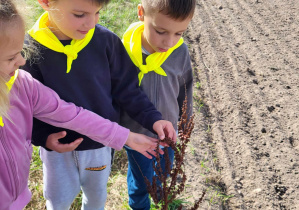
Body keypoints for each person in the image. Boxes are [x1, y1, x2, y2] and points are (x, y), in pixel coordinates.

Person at [0, 0, 170, 209]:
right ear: (46, 2)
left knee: (96, 196)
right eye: (80, 15)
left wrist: (152, 118)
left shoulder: (107, 42)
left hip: (98, 145)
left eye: (97, 12)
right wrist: (43, 136)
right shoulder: (26, 50)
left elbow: (127, 90)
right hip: (57, 153)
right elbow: (28, 114)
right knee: (58, 199)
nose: (90, 23)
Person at [120, 0, 195, 209]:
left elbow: (185, 90)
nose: (169, 42)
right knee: (140, 182)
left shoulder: (180, 52)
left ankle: (162, 198)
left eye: (179, 33)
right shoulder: (122, 51)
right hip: (137, 136)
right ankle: (139, 205)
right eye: (161, 31)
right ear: (141, 13)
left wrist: (183, 124)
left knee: (164, 173)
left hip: (167, 134)